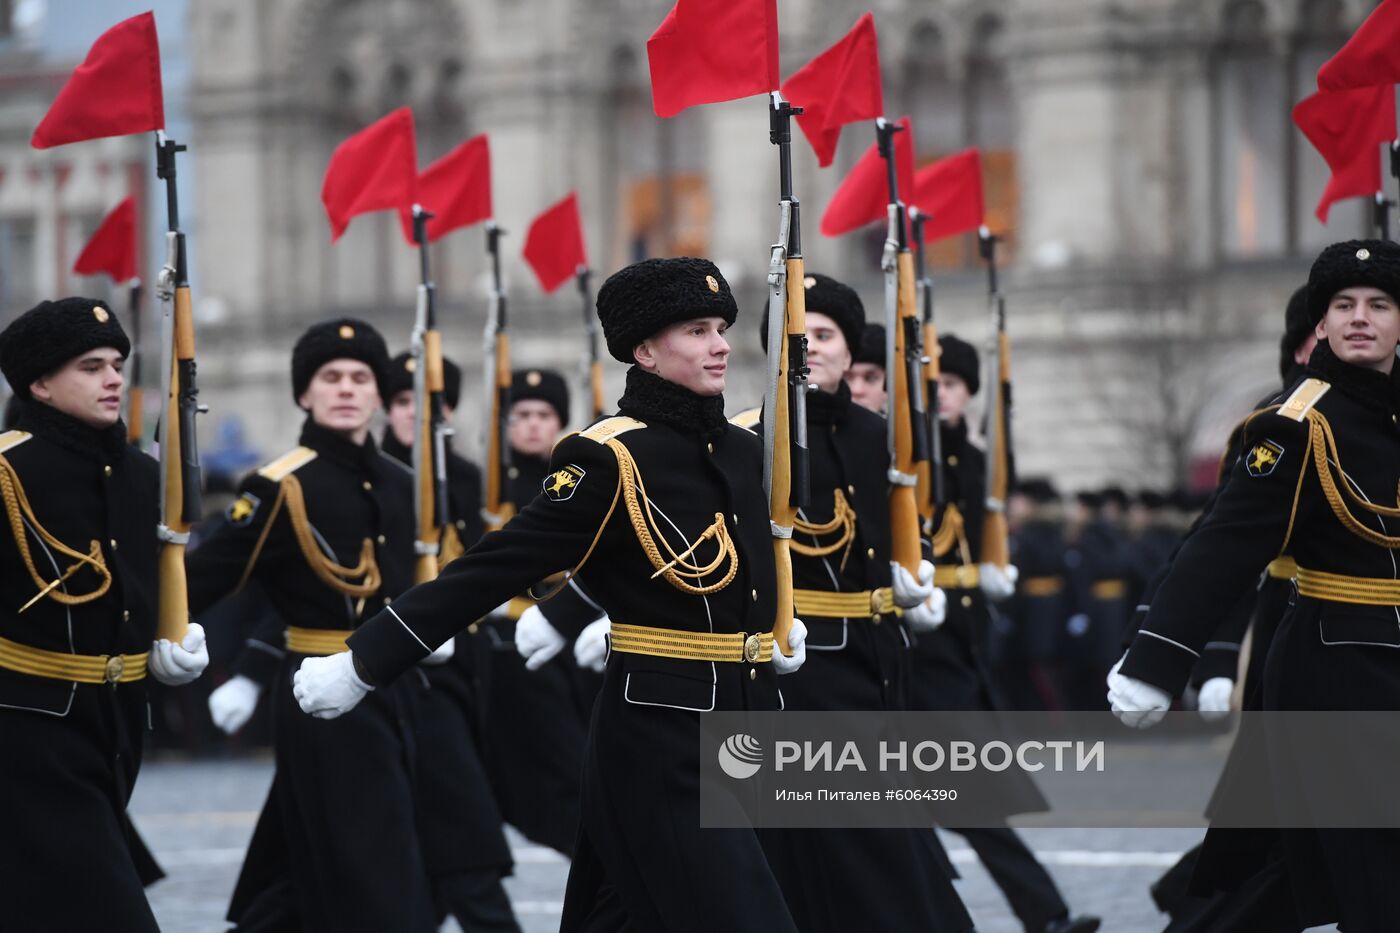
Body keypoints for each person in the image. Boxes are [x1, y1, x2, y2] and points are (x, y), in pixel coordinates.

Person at [293, 258, 807, 932]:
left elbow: (746, 559)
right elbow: (493, 567)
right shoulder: (608, 458)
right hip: (663, 735)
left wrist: (771, 624)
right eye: (696, 331)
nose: (720, 346)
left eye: (720, 329)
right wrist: (366, 661)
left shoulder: (743, 450)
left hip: (747, 724)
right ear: (645, 351)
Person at [1110, 240, 1400, 932]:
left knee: (1303, 869)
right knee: (1373, 872)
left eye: (1380, 305)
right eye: (1344, 306)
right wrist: (1158, 659)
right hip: (1335, 674)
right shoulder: (1298, 424)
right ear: (1321, 324)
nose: (1361, 318)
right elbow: (1223, 545)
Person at [187, 319, 437, 932]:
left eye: (360, 377)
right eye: (330, 377)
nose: (346, 389)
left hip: (397, 694)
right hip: (320, 700)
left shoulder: (405, 483)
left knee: (308, 869)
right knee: (374, 869)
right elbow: (201, 579)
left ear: (379, 394)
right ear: (304, 393)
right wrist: (169, 627)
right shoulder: (279, 487)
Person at [745, 273, 969, 932]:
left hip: (880, 663)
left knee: (862, 845)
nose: (811, 345)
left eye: (826, 334)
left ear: (851, 351)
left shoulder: (881, 436)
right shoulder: (748, 438)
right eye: (797, 333)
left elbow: (897, 523)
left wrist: (916, 569)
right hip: (802, 673)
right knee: (860, 849)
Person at [0, 297, 209, 930]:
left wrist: (167, 640)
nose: (113, 378)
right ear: (39, 384)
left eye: (117, 364)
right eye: (90, 367)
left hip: (114, 726)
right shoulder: (7, 472)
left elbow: (136, 587)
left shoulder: (142, 477)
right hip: (26, 731)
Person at [914, 333, 1100, 933]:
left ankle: (1042, 913)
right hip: (916, 642)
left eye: (951, 385)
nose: (941, 394)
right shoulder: (907, 454)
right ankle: (1044, 913)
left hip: (962, 643)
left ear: (969, 393)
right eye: (932, 384)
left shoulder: (979, 461)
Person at [381, 350, 519, 931]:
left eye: (432, 403)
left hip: (469, 672)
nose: (417, 414)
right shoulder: (377, 478)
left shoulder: (471, 481)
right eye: (404, 401)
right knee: (458, 828)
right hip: (399, 676)